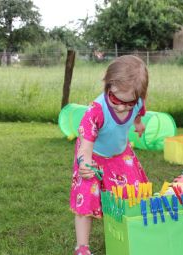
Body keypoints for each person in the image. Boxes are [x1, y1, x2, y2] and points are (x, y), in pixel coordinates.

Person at [70, 55, 149, 255]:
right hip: (93, 156)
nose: (122, 107)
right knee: (86, 196)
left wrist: (138, 124)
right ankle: (82, 247)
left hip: (121, 154)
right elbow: (86, 146)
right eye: (116, 99)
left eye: (129, 102)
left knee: (134, 191)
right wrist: (84, 164)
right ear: (108, 86)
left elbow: (139, 112)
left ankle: (130, 231)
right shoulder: (95, 111)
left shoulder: (137, 103)